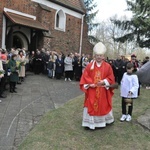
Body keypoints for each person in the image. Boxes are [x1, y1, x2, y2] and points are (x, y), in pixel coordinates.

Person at [80, 42, 115, 130]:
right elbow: (85, 76)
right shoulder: (89, 66)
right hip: (92, 90)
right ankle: (90, 123)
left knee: (103, 105)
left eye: (100, 55)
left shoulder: (107, 66)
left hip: (103, 91)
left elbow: (111, 77)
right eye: (97, 55)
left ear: (103, 56)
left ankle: (103, 122)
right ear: (94, 56)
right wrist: (89, 83)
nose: (99, 57)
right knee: (91, 104)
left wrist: (104, 81)